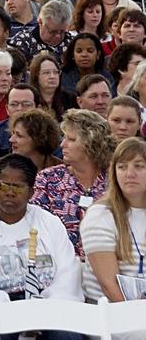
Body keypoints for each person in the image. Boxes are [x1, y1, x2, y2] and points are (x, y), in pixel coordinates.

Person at [0, 154, 82, 313]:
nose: (9, 192)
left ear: (31, 192)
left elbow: (67, 279)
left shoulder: (51, 224)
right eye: (3, 186)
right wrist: (13, 312)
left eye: (17, 187)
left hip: (49, 311)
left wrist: (42, 309)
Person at [31, 108, 114, 258]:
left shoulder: (114, 181)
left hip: (105, 262)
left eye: (71, 139)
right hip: (58, 262)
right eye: (64, 137)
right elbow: (35, 227)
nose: (62, 144)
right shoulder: (48, 179)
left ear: (91, 144)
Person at [81, 137, 146, 303]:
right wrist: (136, 316)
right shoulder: (100, 215)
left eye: (139, 166)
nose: (130, 174)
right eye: (122, 167)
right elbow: (109, 285)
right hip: (110, 310)